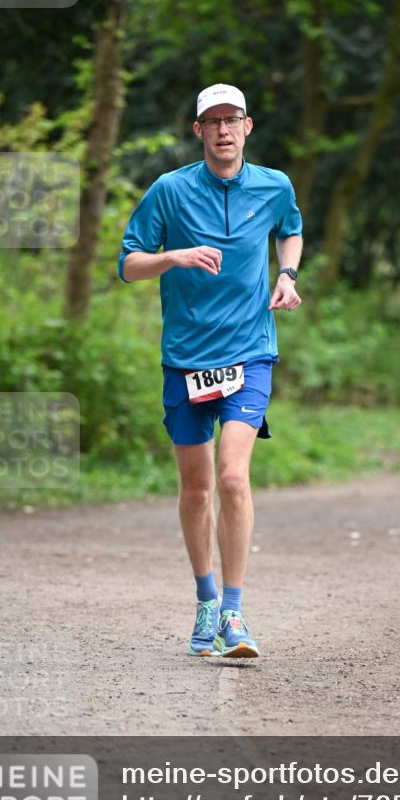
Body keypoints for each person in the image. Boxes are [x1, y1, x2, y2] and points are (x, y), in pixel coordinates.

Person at [118, 83, 303, 658]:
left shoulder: (275, 185)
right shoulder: (169, 192)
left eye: (233, 119)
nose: (224, 130)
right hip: (186, 359)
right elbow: (128, 264)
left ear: (249, 126)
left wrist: (288, 275)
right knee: (197, 491)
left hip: (249, 352)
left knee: (231, 478)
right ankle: (203, 601)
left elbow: (290, 229)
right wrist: (173, 256)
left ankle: (234, 612)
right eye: (212, 121)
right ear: (198, 130)